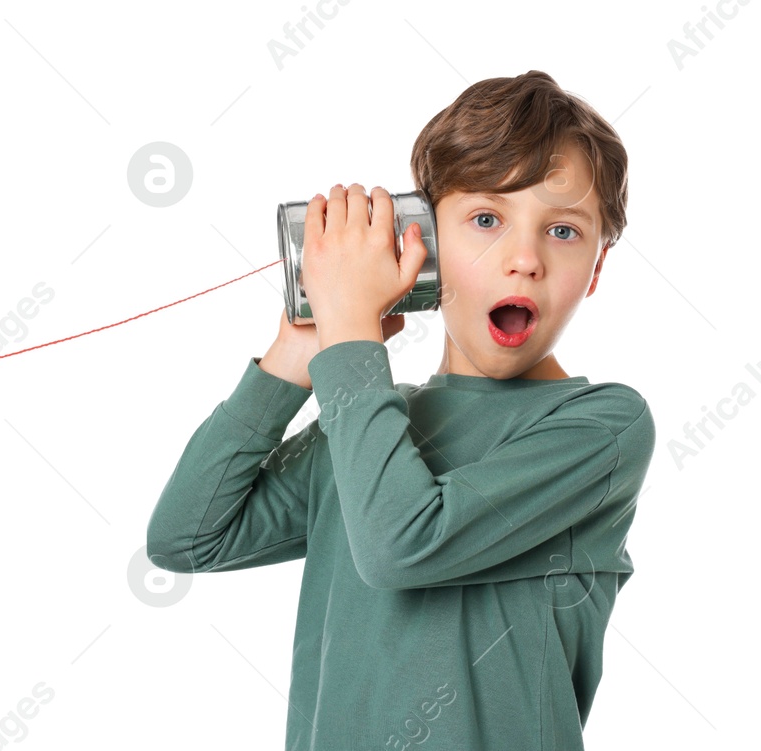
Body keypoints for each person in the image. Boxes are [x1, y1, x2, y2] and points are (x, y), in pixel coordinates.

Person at [146, 70, 651, 750]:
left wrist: (352, 337)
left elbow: (400, 545)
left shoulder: (603, 427)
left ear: (595, 269)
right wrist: (297, 355)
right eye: (485, 219)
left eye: (562, 231)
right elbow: (187, 536)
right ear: (426, 249)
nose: (524, 259)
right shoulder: (369, 418)